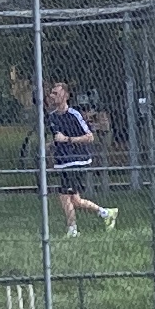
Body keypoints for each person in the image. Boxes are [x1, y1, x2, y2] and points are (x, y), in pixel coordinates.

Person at [44, 81, 116, 231]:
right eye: (52, 93)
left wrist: (68, 139)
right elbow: (57, 137)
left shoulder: (74, 115)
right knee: (75, 200)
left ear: (65, 95)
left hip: (77, 160)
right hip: (63, 161)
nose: (52, 96)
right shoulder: (52, 117)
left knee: (64, 196)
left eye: (56, 93)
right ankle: (106, 213)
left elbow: (90, 137)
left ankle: (72, 229)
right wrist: (50, 145)